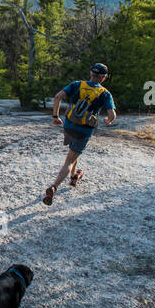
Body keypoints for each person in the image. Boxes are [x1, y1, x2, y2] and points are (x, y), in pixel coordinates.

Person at [43, 62, 115, 205]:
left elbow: (58, 97)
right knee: (70, 159)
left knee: (73, 151)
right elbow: (112, 114)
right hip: (84, 130)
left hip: (69, 125)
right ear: (104, 78)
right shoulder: (105, 94)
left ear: (91, 74)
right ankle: (54, 186)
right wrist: (108, 120)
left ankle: (73, 176)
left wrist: (55, 117)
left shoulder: (77, 84)